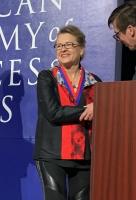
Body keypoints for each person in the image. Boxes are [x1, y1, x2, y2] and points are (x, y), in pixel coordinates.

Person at [34, 25, 101, 200]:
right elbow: (53, 113)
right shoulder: (46, 77)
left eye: (69, 44)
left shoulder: (96, 82)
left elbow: (105, 118)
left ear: (81, 49)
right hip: (52, 154)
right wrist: (89, 109)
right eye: (58, 45)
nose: (63, 49)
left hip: (86, 156)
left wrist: (101, 109)